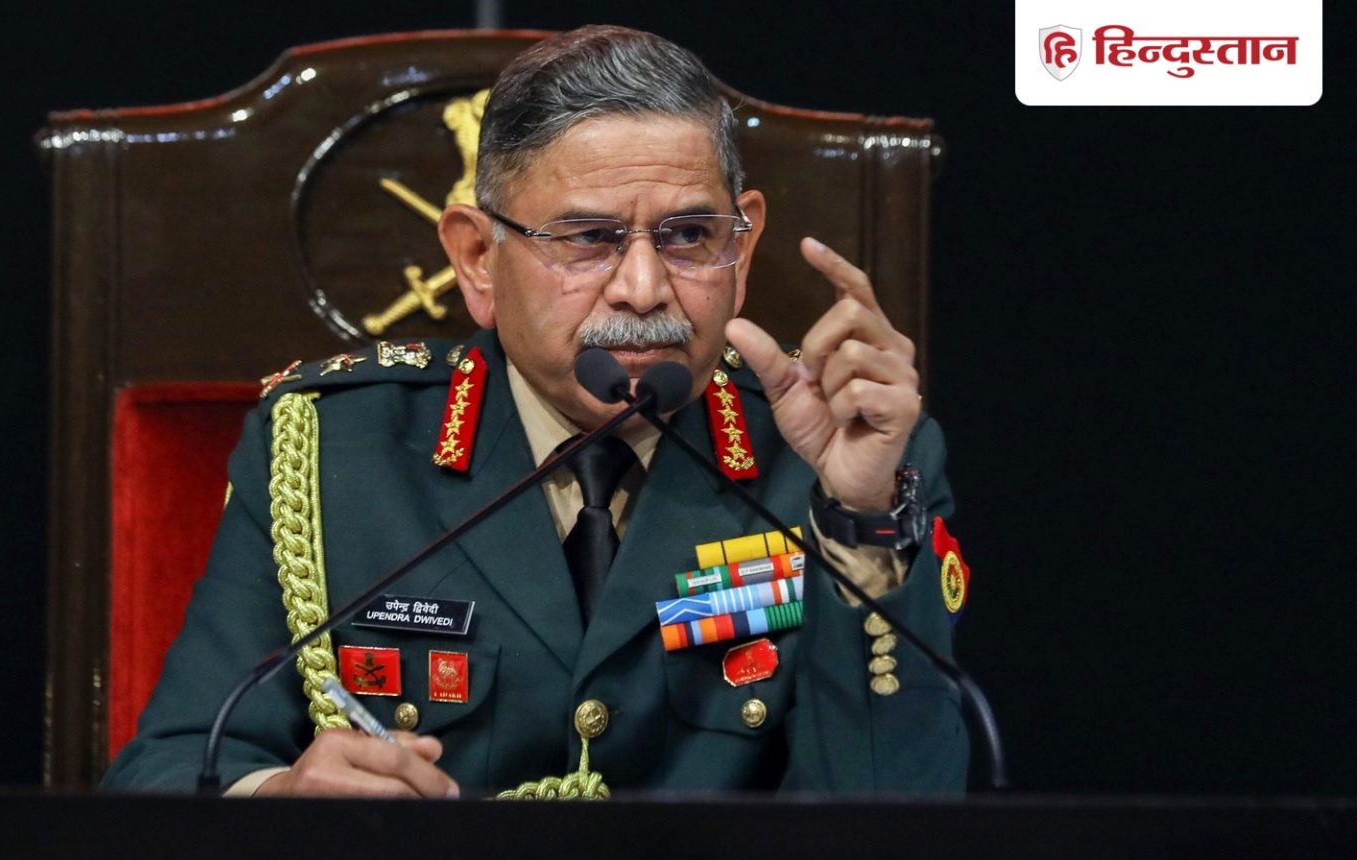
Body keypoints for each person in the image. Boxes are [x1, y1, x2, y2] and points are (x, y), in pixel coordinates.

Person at [103, 24, 968, 798]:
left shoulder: (838, 457)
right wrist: (282, 800)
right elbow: (164, 773)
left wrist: (860, 523)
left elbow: (899, 817)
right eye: (588, 240)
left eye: (688, 236)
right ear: (478, 258)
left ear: (740, 249)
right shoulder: (333, 450)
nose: (643, 289)